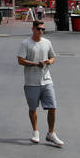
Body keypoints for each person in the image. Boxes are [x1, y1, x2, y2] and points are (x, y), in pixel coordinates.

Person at [17, 19, 63, 147]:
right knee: (33, 108)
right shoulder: (25, 43)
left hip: (47, 80)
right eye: (39, 29)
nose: (41, 31)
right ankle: (35, 131)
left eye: (43, 29)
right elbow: (20, 60)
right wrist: (35, 64)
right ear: (33, 29)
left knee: (52, 107)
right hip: (31, 82)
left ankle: (51, 133)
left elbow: (53, 57)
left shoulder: (47, 42)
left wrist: (49, 61)